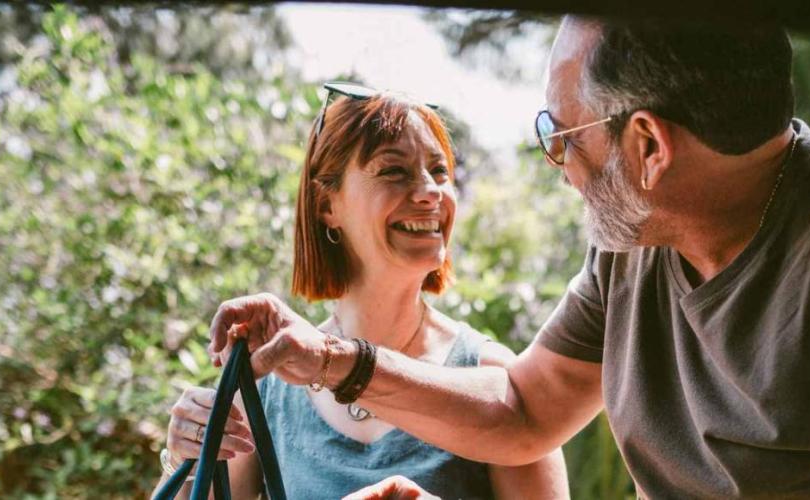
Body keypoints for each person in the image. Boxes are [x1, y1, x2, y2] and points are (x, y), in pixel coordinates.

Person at [206, 16, 810, 499]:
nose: (555, 165)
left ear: (647, 146)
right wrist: (333, 363)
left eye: (557, 135)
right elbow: (525, 409)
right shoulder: (636, 242)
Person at [155, 84, 569, 499]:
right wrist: (182, 460)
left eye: (440, 171)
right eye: (394, 171)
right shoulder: (264, 388)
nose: (430, 191)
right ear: (326, 206)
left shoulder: (495, 381)